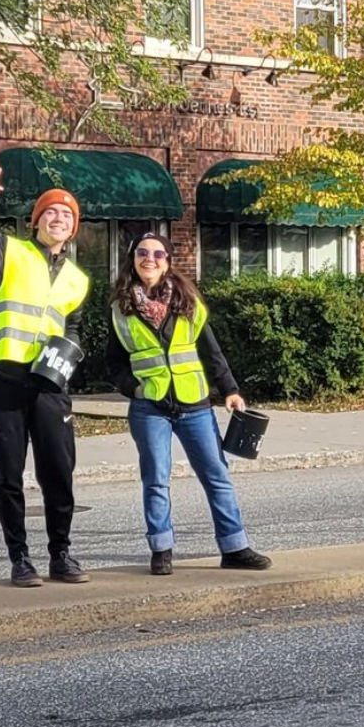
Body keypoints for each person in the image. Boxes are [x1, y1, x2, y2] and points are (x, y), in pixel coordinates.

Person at [0, 162, 92, 588]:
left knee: (58, 475)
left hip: (49, 388)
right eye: (50, 212)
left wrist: (67, 359)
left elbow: (74, 327)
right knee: (9, 476)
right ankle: (20, 559)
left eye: (67, 214)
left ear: (73, 228)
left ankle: (61, 554)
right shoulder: (5, 252)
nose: (58, 218)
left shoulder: (79, 280)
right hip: (5, 382)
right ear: (36, 221)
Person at [104, 232, 271, 576]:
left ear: (168, 262)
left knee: (216, 475)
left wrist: (230, 389)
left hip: (194, 403)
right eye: (142, 253)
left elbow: (211, 351)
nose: (149, 259)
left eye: (158, 254)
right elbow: (112, 364)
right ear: (132, 259)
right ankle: (161, 549)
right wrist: (133, 389)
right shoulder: (121, 309)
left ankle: (235, 547)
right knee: (156, 479)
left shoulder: (188, 301)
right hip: (150, 407)